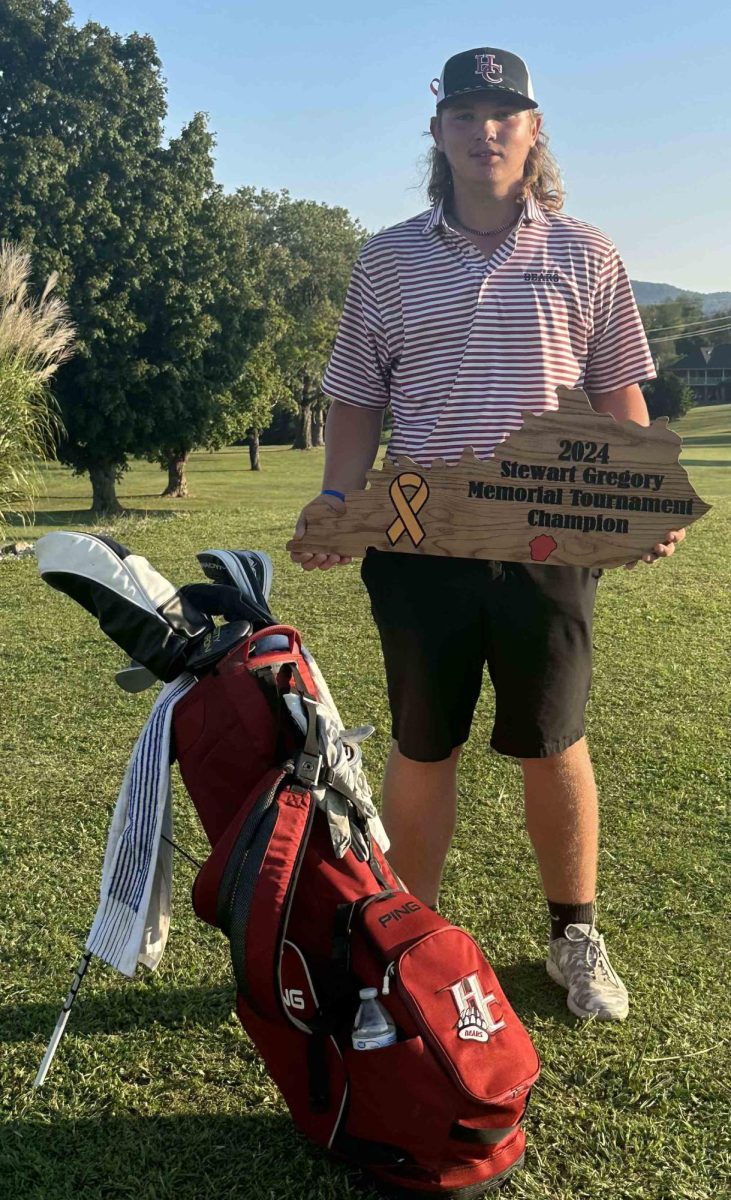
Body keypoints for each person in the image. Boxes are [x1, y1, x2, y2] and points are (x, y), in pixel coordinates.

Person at [289, 45, 685, 1021]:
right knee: (423, 748)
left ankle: (572, 936)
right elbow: (353, 402)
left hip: (544, 545)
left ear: (532, 128)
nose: (484, 128)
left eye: (502, 112)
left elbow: (616, 393)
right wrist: (340, 498)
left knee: (553, 742)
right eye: (463, 113)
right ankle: (401, 945)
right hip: (419, 544)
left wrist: (640, 496)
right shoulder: (386, 258)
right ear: (439, 133)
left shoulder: (584, 253)